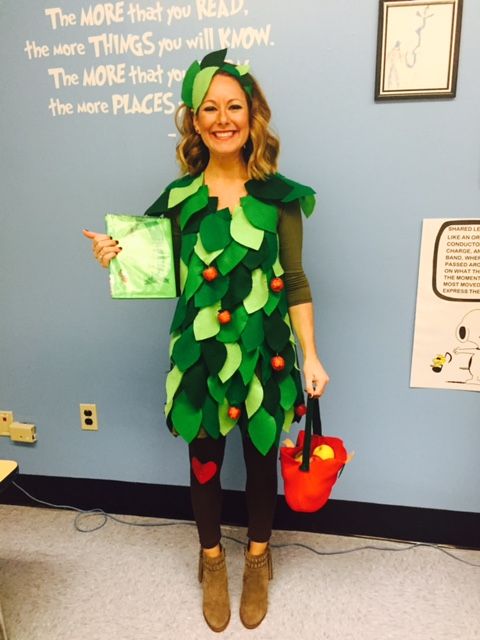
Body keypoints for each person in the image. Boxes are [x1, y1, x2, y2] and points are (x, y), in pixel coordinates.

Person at [83, 48, 329, 632]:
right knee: (204, 463)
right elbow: (143, 268)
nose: (223, 119)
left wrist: (312, 355)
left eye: (234, 107)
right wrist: (111, 256)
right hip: (199, 358)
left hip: (266, 355)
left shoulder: (281, 199)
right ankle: (213, 560)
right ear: (194, 121)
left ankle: (260, 558)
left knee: (261, 460)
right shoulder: (177, 202)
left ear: (253, 116)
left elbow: (295, 281)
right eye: (209, 108)